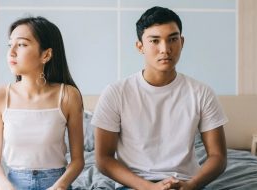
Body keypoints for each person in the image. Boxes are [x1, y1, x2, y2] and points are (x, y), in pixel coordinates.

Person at [92, 6, 228, 190]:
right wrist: (149, 187)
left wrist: (192, 184)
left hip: (185, 183)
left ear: (182, 42)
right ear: (140, 46)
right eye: (155, 41)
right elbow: (103, 159)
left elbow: (218, 156)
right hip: (135, 185)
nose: (165, 49)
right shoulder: (116, 92)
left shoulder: (201, 92)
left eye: (172, 39)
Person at [0, 16, 84, 190]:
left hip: (57, 183)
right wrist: (6, 187)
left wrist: (59, 187)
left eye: (22, 44)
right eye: (10, 45)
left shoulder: (68, 95)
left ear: (46, 54)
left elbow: (78, 161)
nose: (12, 52)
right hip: (14, 183)